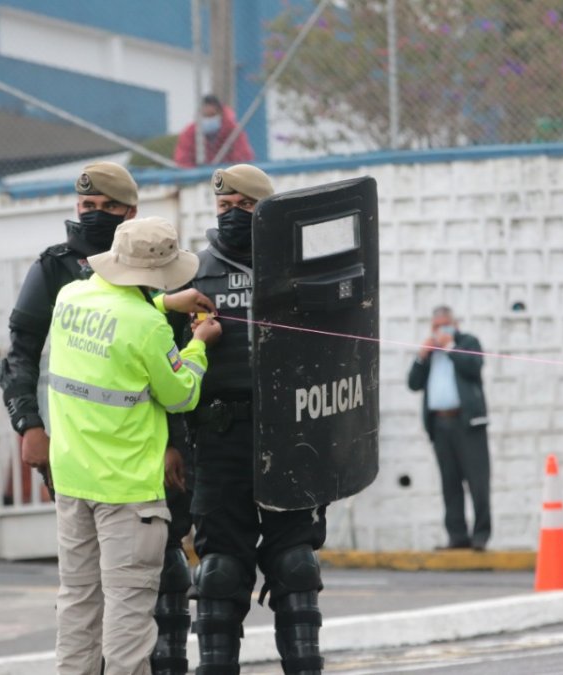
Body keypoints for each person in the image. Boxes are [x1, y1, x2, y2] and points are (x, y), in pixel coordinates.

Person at [0, 162, 213, 673]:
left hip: (106, 466)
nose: (92, 215)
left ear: (128, 213)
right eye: (86, 206)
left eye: (106, 208)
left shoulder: (76, 291)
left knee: (101, 594)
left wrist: (173, 444)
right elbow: (22, 354)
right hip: (119, 478)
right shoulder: (56, 270)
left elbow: (128, 316)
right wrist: (29, 423)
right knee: (126, 604)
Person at [167, 164, 326, 675]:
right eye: (224, 206)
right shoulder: (191, 275)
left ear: (267, 208)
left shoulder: (298, 268)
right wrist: (174, 442)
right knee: (217, 572)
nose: (233, 214)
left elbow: (336, 355)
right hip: (219, 436)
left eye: (245, 205)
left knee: (296, 564)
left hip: (291, 434)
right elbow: (162, 361)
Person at [48, 216, 221, 674]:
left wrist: (163, 302)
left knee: (77, 606)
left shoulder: (70, 296)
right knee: (127, 619)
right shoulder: (148, 326)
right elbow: (180, 392)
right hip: (126, 491)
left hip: (71, 479)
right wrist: (200, 345)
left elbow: (114, 325)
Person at [407, 306, 492, 551]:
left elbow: (473, 367)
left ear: (455, 325)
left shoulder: (467, 342)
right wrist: (421, 357)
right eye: (435, 326)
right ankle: (457, 536)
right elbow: (413, 384)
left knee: (478, 482)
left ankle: (481, 536)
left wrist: (450, 347)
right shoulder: (430, 352)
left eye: (445, 325)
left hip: (467, 423)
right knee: (450, 483)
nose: (440, 330)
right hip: (440, 424)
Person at [173, 94, 256, 168]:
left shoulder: (233, 131)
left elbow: (243, 157)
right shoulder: (190, 133)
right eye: (205, 116)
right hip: (199, 178)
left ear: (220, 113)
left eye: (212, 115)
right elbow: (183, 160)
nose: (208, 119)